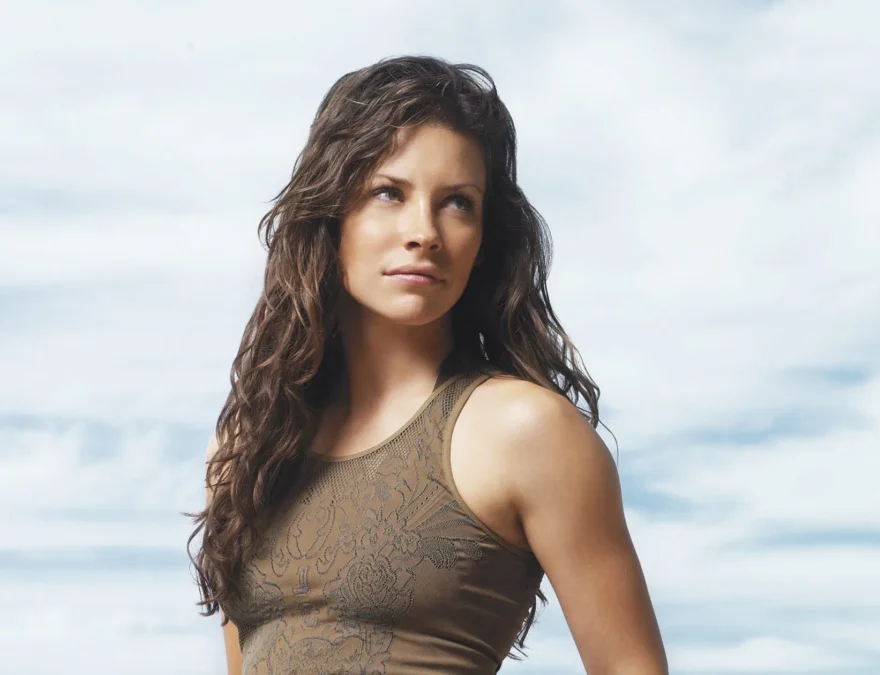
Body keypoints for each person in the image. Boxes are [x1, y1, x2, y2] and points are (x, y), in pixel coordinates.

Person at [187, 55, 668, 674]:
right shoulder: (246, 448)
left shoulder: (525, 431)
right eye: (389, 193)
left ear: (484, 240)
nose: (424, 232)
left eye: (458, 203)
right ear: (331, 215)